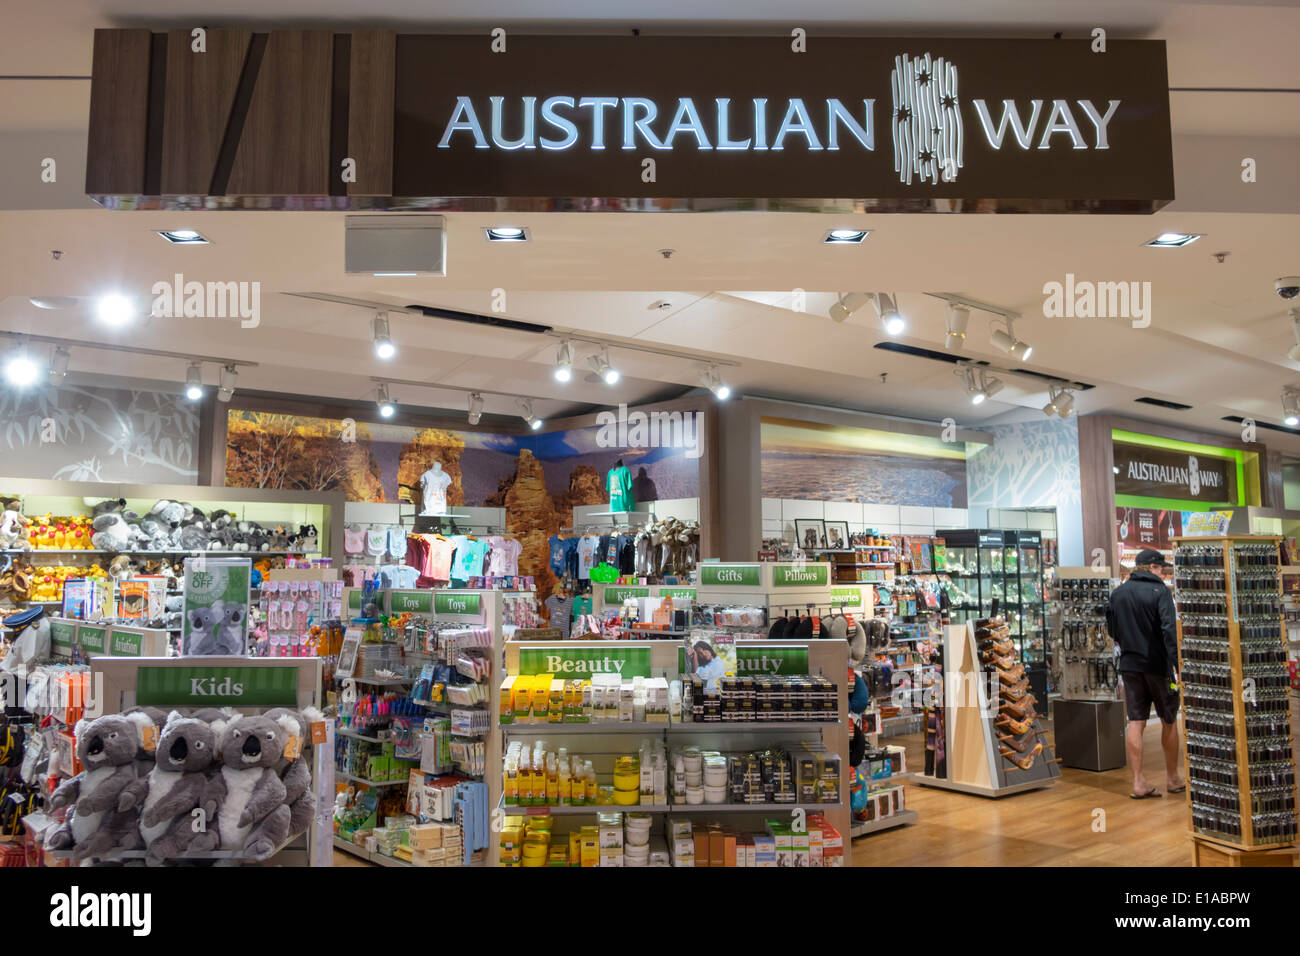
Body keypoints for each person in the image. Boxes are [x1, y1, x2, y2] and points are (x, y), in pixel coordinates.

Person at [1106, 548, 1186, 800]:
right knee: (1169, 719)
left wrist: (1128, 646)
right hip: (1158, 666)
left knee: (1136, 722)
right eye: (1161, 568)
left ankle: (1138, 782)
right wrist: (1178, 666)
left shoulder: (1118, 594)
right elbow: (1168, 632)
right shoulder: (1161, 592)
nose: (1163, 573)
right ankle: (1172, 778)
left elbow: (1112, 629)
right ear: (1151, 568)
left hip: (1130, 665)